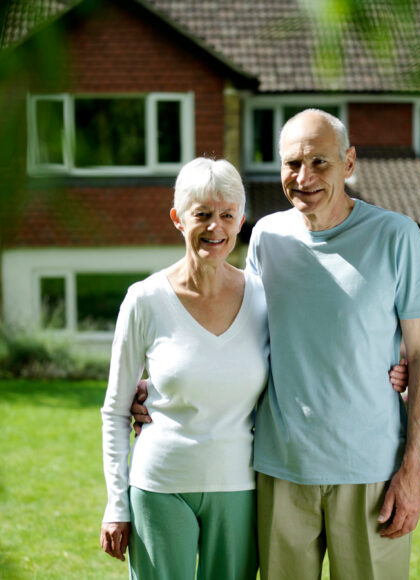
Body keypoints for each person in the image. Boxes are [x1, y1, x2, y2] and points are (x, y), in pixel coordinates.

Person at [132, 108, 420, 580]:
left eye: (320, 162)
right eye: (292, 163)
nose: (303, 176)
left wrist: (413, 472)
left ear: (349, 163)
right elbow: (239, 333)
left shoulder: (396, 236)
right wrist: (165, 384)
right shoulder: (266, 238)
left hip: (371, 472)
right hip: (279, 471)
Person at [100, 157, 270, 580]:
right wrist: (116, 503)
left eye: (227, 215)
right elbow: (116, 410)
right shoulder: (144, 299)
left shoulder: (265, 299)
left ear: (241, 220)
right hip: (160, 485)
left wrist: (394, 364)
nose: (216, 227)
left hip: (239, 487)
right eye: (203, 215)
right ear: (178, 219)